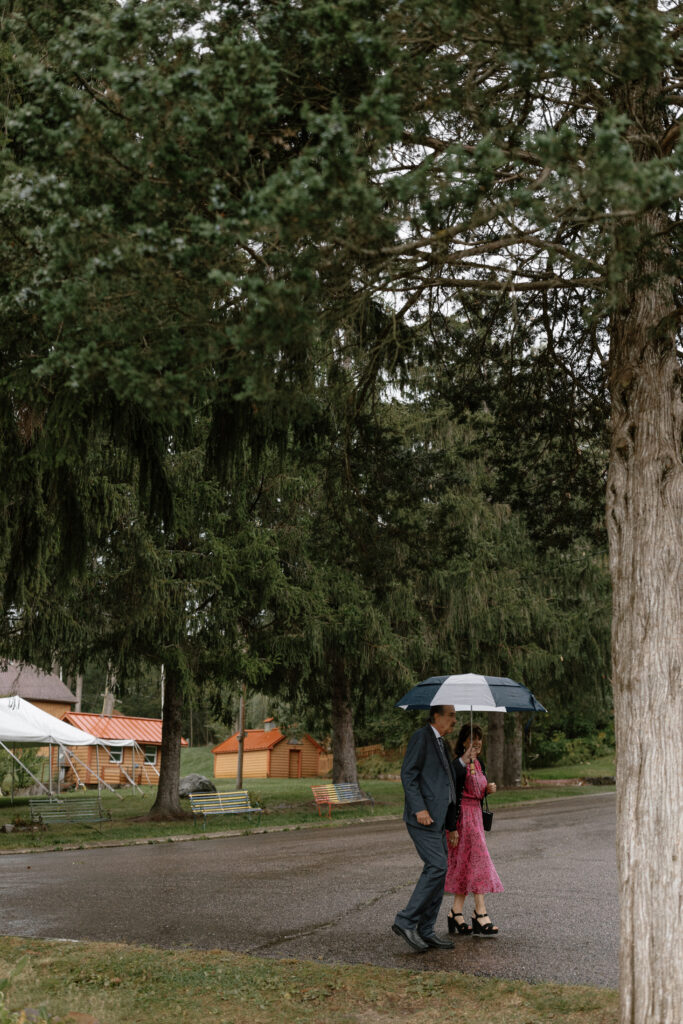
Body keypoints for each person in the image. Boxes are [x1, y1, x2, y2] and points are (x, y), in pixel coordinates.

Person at [392, 705, 460, 952]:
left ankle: (426, 929)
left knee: (441, 873)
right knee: (437, 867)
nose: (455, 719)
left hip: (440, 820)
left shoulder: (442, 743)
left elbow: (448, 786)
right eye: (451, 715)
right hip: (423, 818)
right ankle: (406, 920)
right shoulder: (422, 737)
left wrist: (452, 825)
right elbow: (408, 774)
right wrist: (419, 808)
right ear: (436, 716)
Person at [444, 723, 503, 936]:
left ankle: (455, 913)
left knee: (468, 866)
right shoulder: (457, 765)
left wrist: (487, 790)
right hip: (462, 821)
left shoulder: (479, 764)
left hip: (476, 819)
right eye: (472, 738)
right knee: (478, 862)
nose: (476, 742)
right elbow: (451, 798)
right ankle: (480, 913)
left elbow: (476, 792)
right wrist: (451, 828)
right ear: (463, 742)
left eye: (479, 738)